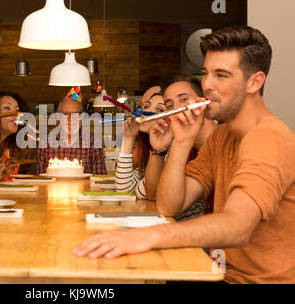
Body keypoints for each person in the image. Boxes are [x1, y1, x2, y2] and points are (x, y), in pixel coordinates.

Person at [74, 26, 295, 284]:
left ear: (254, 82)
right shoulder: (222, 138)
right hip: (218, 274)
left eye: (221, 75)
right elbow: (170, 205)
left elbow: (238, 227)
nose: (208, 85)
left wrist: (152, 236)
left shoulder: (268, 138)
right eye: (206, 74)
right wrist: (181, 141)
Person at [144, 74, 218, 220]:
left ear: (203, 102)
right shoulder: (186, 147)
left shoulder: (225, 142)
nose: (177, 108)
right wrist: (158, 150)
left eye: (184, 99)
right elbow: (157, 199)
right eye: (169, 105)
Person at [36, 96, 107, 175]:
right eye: (65, 113)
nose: (70, 118)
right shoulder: (45, 144)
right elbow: (41, 180)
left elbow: (100, 180)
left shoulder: (94, 143)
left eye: (75, 113)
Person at [115, 93, 166, 196]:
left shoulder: (167, 151)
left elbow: (142, 193)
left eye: (160, 110)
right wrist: (129, 137)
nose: (147, 111)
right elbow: (124, 190)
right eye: (147, 106)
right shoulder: (147, 147)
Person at [0, 90, 30, 182]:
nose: (15, 114)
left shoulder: (5, 149)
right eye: (7, 108)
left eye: (16, 110)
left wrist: (4, 173)